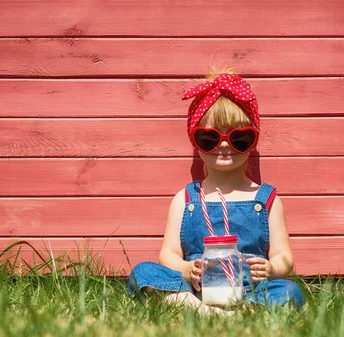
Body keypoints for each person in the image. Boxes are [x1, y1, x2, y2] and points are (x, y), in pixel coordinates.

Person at [128, 69, 305, 314]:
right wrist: (186, 270)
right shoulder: (186, 199)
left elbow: (284, 256)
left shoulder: (265, 200)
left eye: (239, 138)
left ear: (253, 142)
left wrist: (272, 268)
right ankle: (208, 312)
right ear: (195, 141)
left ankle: (229, 312)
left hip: (249, 290)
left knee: (289, 291)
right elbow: (167, 254)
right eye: (209, 138)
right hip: (195, 289)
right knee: (143, 272)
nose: (223, 145)